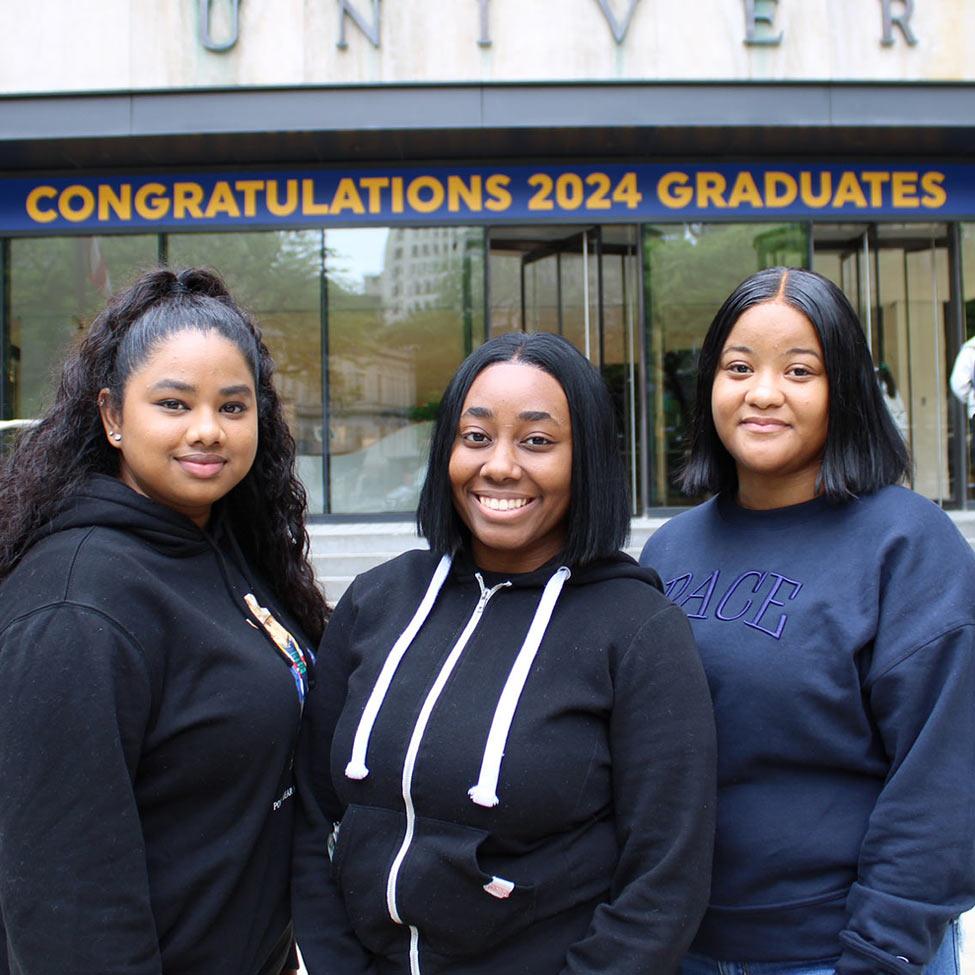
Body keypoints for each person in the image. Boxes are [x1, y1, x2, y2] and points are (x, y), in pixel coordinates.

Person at [293, 331, 717, 975]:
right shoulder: (378, 601)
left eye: (537, 441)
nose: (499, 466)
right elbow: (313, 813)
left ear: (587, 460)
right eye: (476, 436)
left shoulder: (638, 630)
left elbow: (665, 877)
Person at [640, 267, 975, 975]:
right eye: (738, 367)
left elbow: (942, 778)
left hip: (841, 950)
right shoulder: (670, 550)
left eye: (799, 369)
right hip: (684, 946)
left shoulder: (906, 544)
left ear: (843, 389)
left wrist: (877, 952)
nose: (762, 392)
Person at [0, 267, 327, 975]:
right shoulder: (75, 606)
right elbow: (67, 906)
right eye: (174, 403)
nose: (207, 430)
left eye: (233, 407)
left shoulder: (219, 545)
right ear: (113, 416)